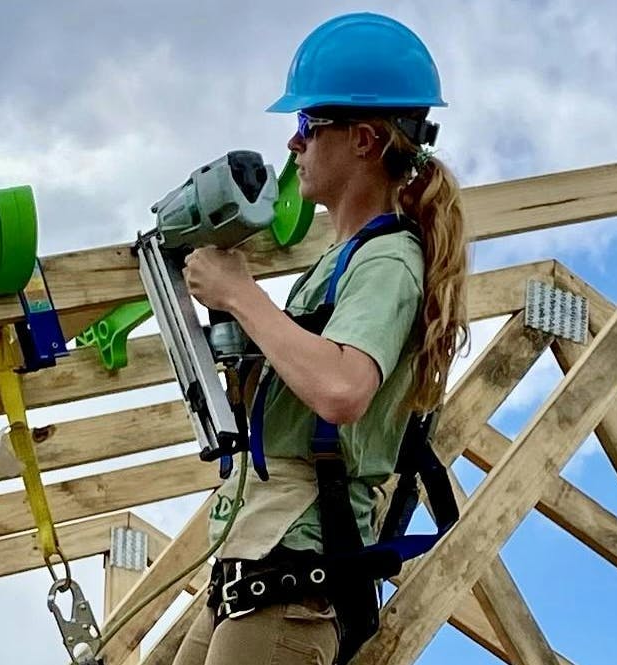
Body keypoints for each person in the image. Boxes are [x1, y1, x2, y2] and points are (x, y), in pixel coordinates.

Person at [175, 11, 468, 665]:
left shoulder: (388, 259)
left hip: (296, 566)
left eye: (307, 125)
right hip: (258, 553)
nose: (292, 144)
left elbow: (342, 389)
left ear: (363, 139)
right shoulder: (340, 262)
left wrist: (241, 294)